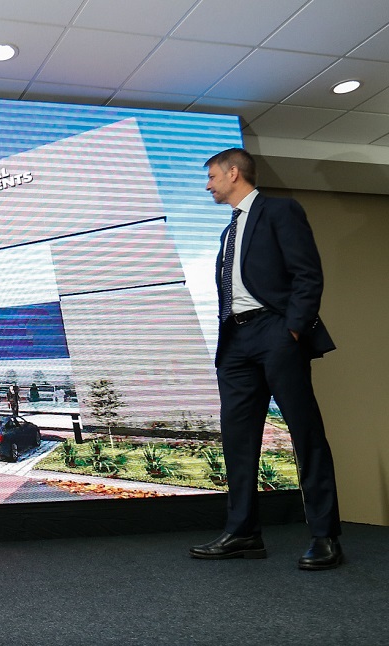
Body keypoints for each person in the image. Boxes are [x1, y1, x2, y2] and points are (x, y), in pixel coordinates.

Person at [189, 148, 342, 570]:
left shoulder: (279, 211)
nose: (208, 185)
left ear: (233, 173)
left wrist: (292, 330)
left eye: (212, 176)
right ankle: (243, 533)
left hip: (275, 332)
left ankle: (325, 536)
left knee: (305, 433)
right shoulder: (228, 231)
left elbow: (307, 274)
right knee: (238, 440)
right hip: (235, 341)